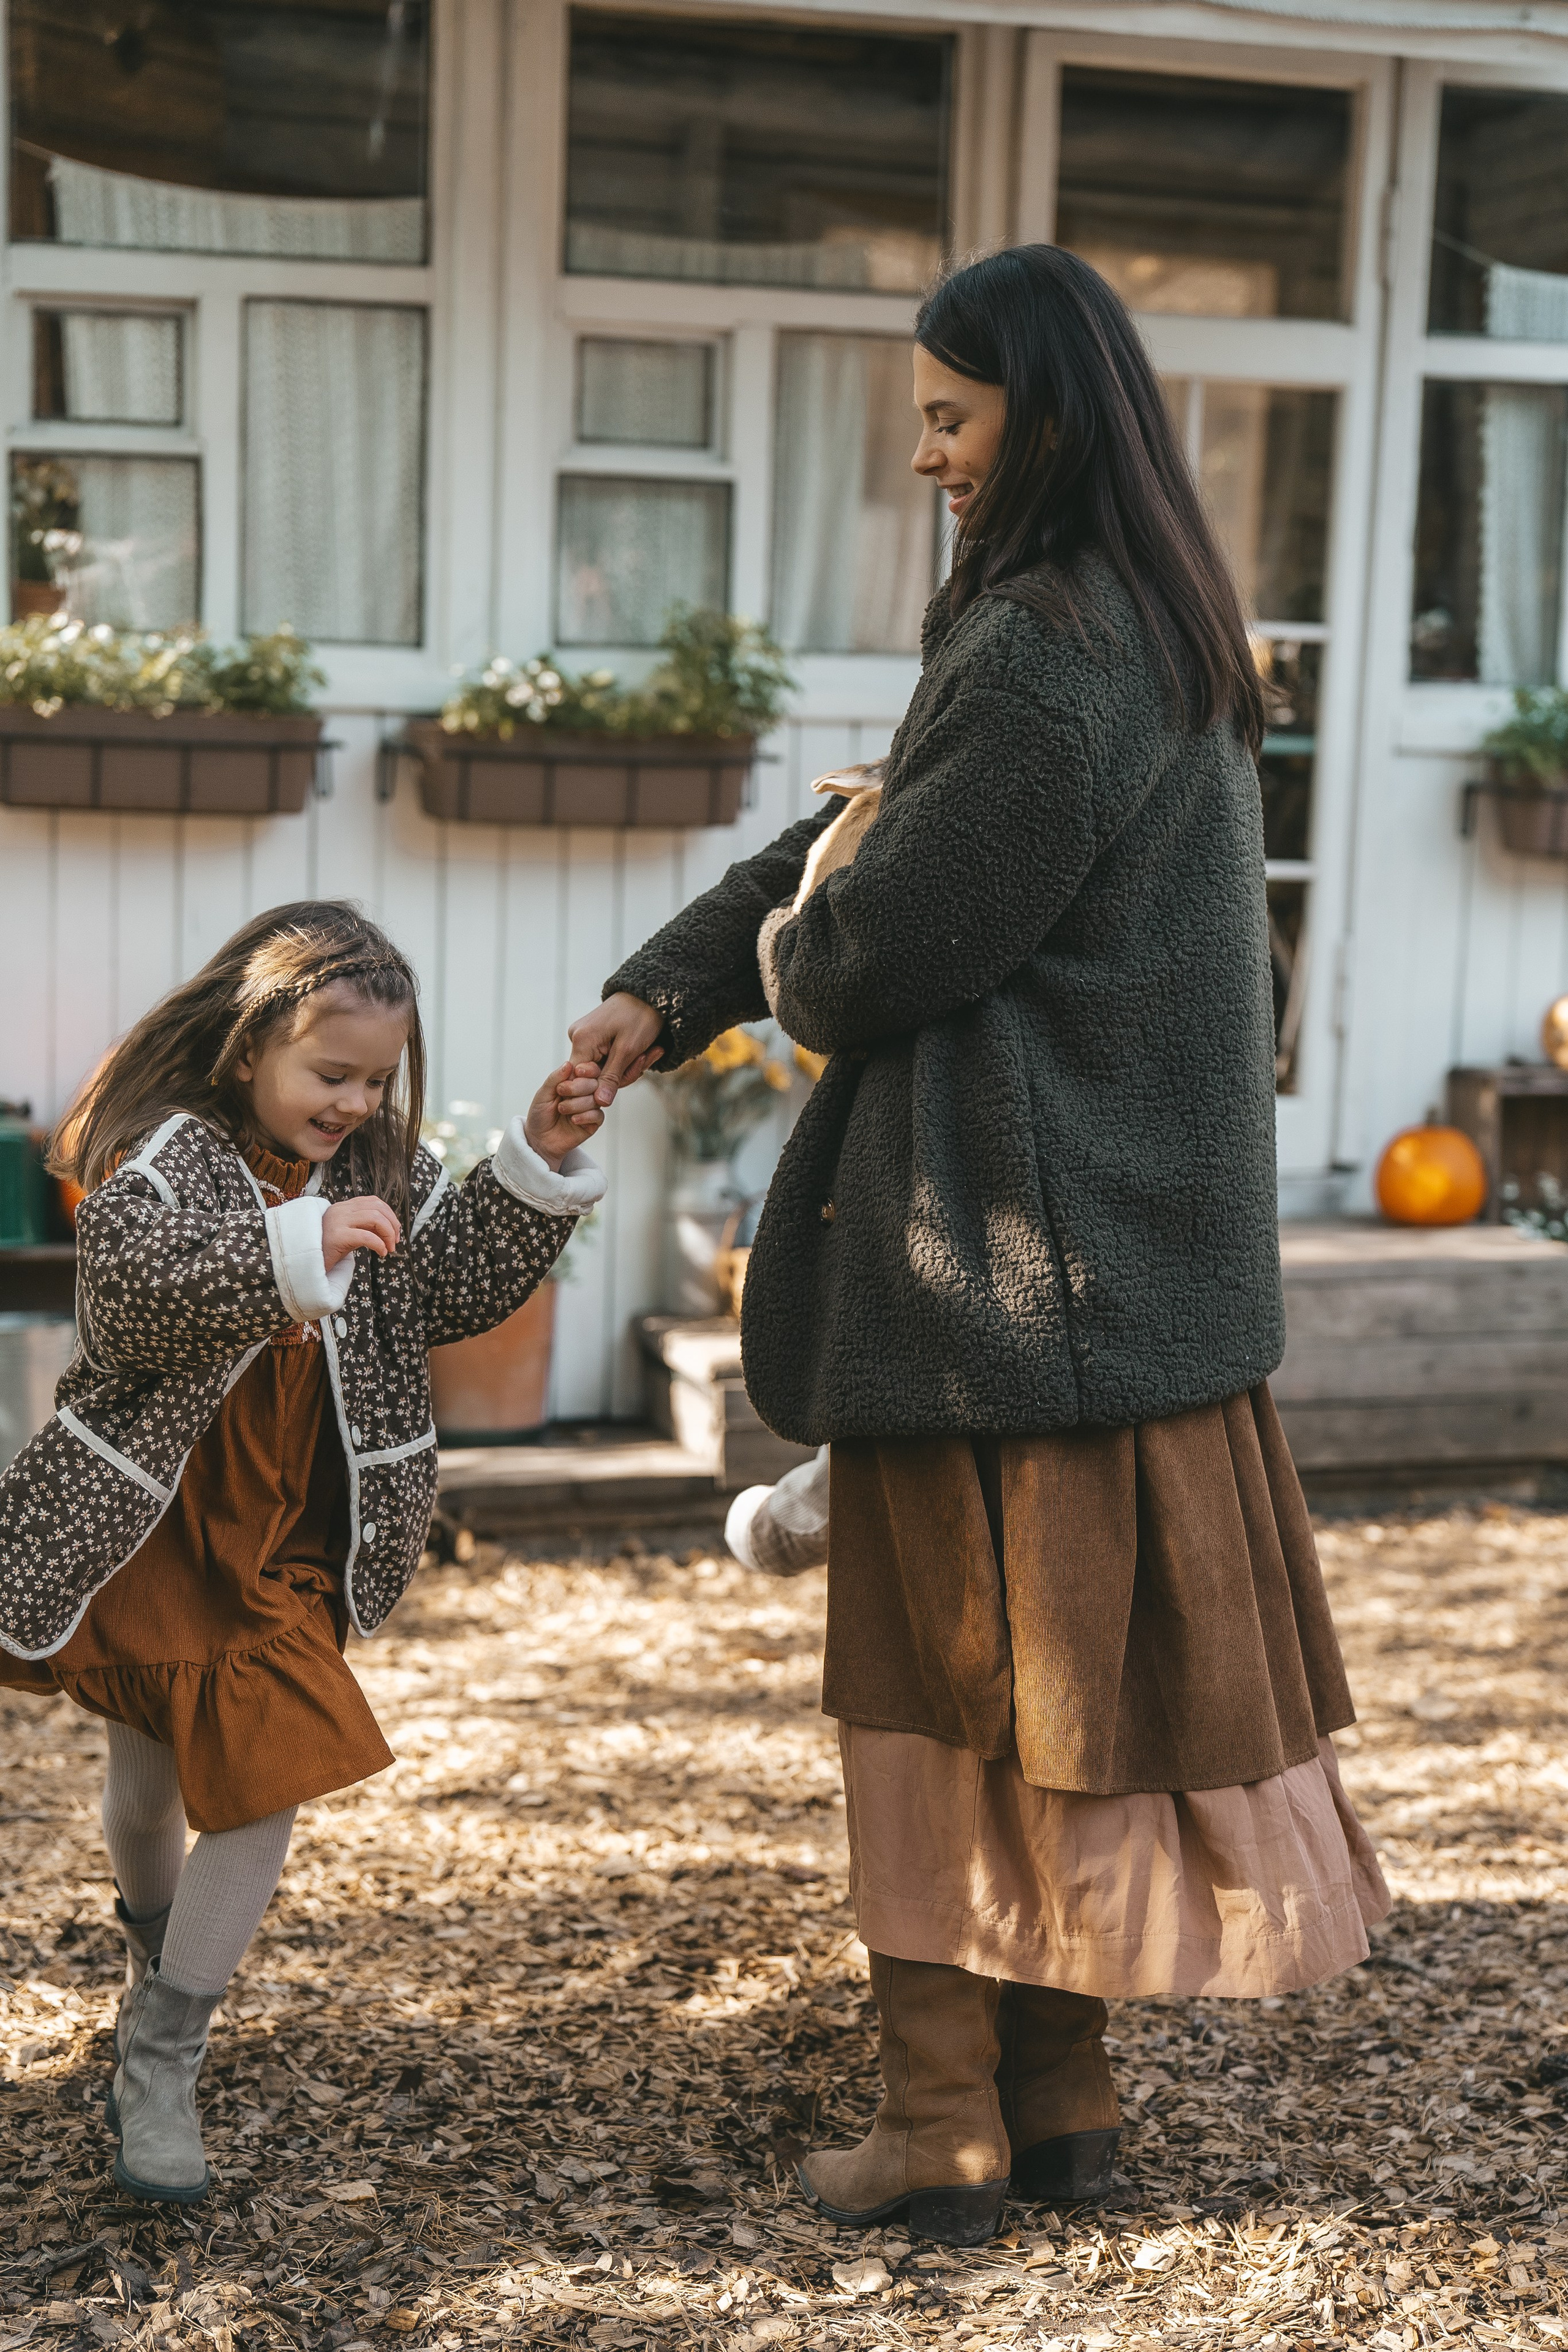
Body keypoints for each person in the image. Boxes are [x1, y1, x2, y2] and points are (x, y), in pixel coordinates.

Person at [565, 245, 1388, 2248]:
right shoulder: (1158, 627)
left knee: (937, 1712)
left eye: (951, 415)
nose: (928, 455)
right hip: (1127, 1298)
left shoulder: (1041, 650)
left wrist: (775, 961)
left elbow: (866, 944)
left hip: (1006, 1287)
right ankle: (1064, 2094)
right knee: (1065, 1714)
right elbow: (868, 830)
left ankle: (943, 2124)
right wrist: (663, 996)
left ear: (1049, 413)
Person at [0, 900, 606, 2206]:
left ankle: (162, 2052)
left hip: (282, 1538)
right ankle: (147, 1962)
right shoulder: (169, 1153)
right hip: (152, 1523)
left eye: (376, 1078)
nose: (354, 1100)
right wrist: (292, 1246)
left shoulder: (380, 1168)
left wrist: (535, 1161)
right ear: (247, 1050)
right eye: (330, 1074)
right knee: (149, 1777)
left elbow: (445, 1286)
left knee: (265, 1783)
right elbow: (132, 1286)